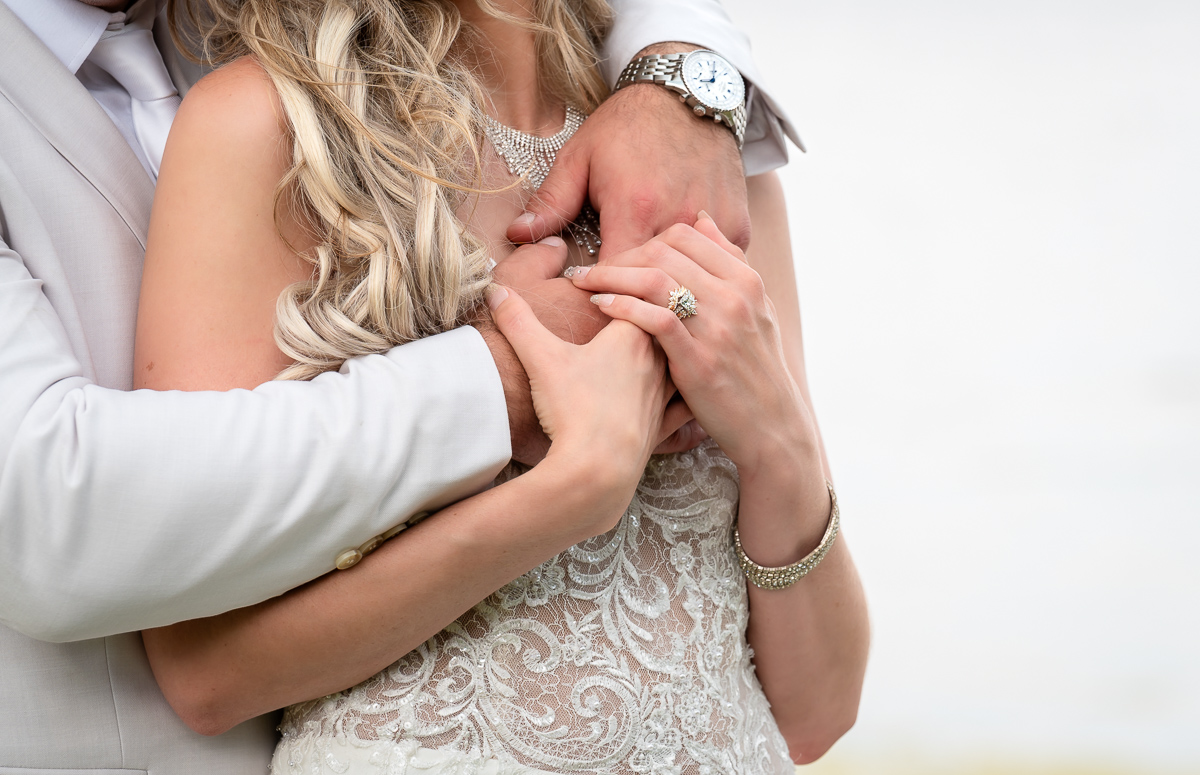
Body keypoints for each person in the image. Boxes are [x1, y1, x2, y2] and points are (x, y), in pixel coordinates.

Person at [0, 0, 803, 772]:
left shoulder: (684, 145)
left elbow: (813, 706)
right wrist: (508, 384)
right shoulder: (257, 117)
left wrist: (683, 77)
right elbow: (45, 507)